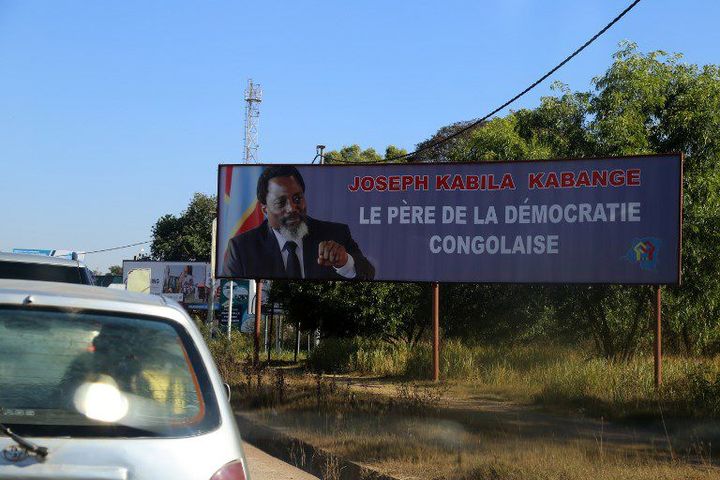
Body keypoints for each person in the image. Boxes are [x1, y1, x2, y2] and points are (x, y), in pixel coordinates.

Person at [222, 165, 375, 280]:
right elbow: (232, 292)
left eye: (297, 198)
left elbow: (368, 273)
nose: (292, 208)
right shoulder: (242, 248)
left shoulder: (335, 234)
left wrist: (344, 262)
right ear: (264, 210)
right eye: (281, 202)